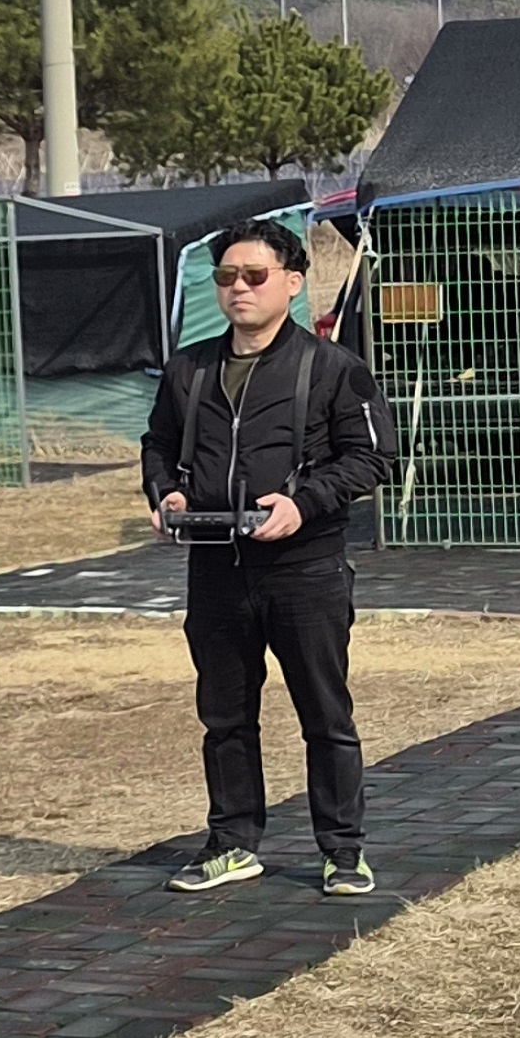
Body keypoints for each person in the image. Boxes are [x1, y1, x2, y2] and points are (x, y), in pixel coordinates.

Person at [141, 216, 388, 899]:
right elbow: (157, 444)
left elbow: (371, 457)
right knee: (223, 716)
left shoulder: (333, 367)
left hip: (305, 568)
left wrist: (303, 504)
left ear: (293, 282)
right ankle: (232, 843)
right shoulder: (189, 368)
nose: (239, 288)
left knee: (325, 715)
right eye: (226, 276)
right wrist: (166, 494)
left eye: (254, 275)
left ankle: (343, 850)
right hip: (216, 567)